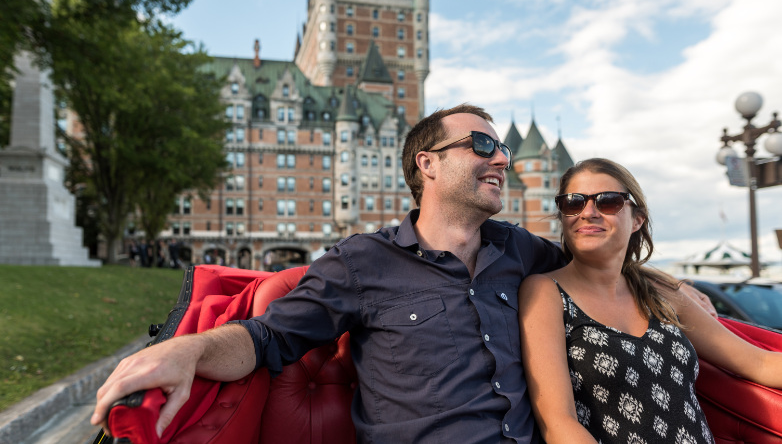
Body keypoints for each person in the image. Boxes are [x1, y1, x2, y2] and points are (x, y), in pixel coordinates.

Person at [91, 105, 714, 444]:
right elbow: (267, 339)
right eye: (482, 145)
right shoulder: (362, 262)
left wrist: (680, 291)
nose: (501, 158)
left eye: (503, 149)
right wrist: (189, 349)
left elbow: (600, 269)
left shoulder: (522, 252)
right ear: (428, 164)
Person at [518, 158, 782, 444]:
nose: (588, 212)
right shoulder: (546, 291)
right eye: (573, 202)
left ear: (637, 220)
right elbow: (558, 424)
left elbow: (757, 363)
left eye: (608, 201)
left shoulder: (659, 291)